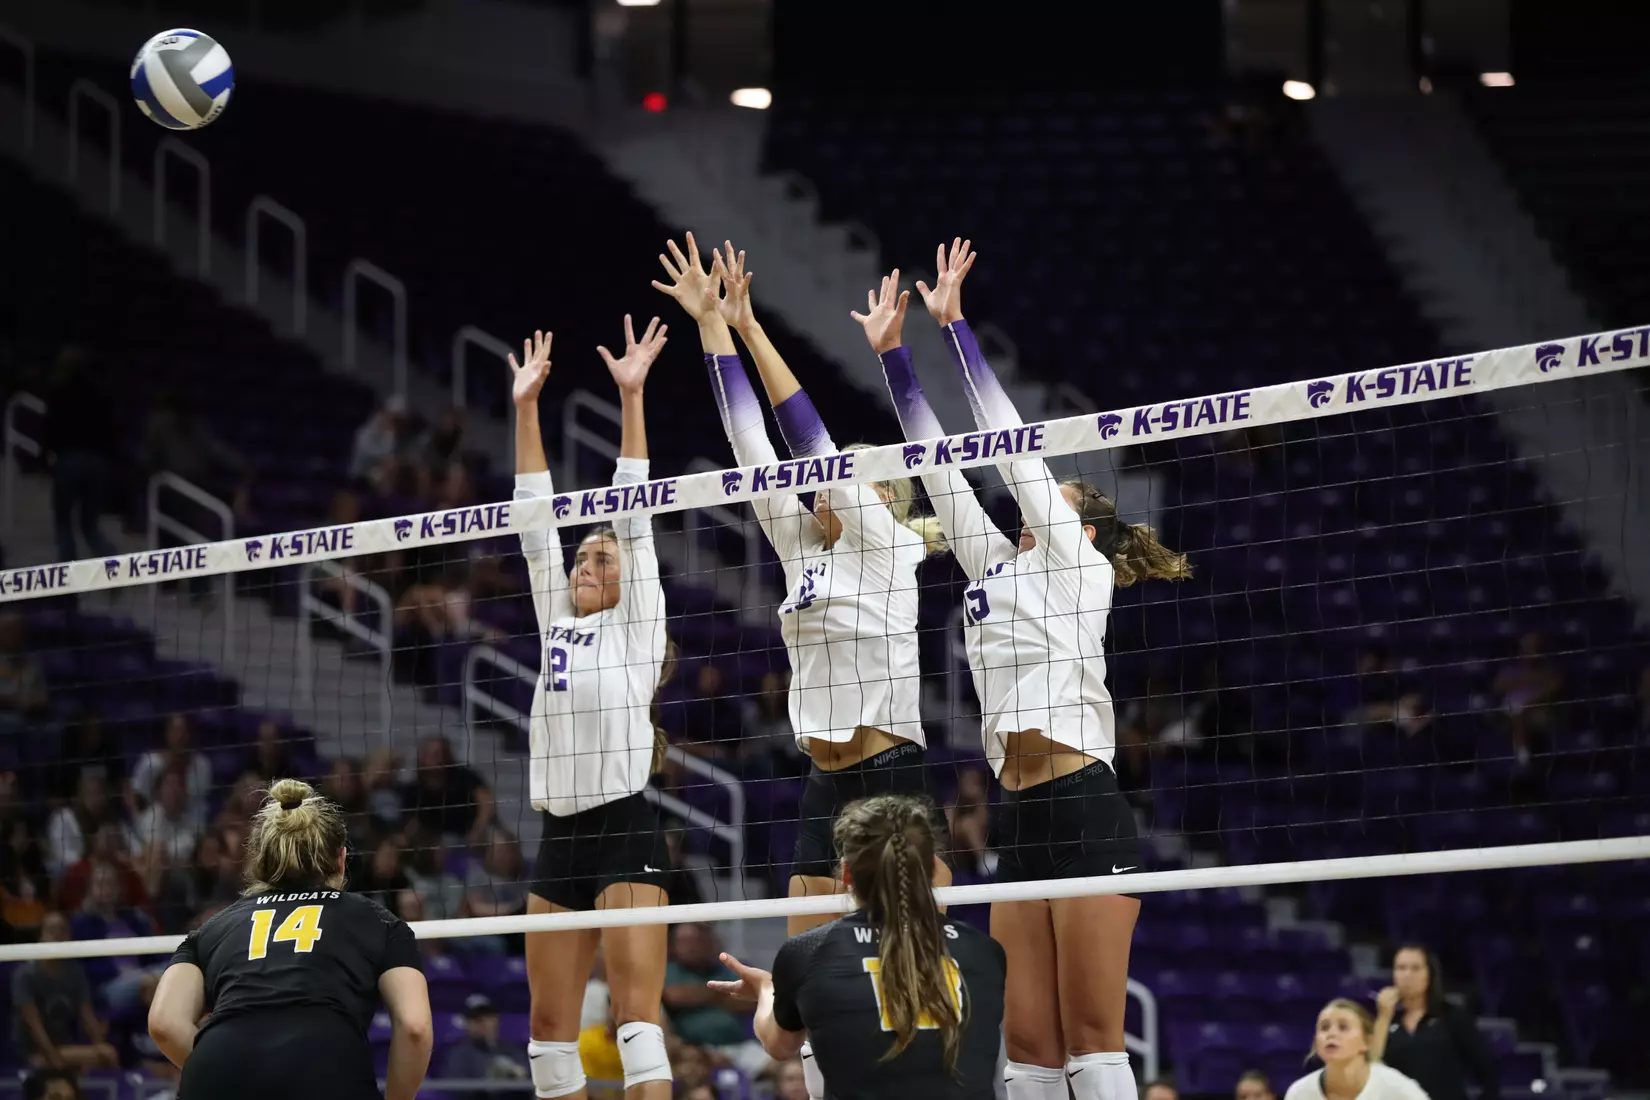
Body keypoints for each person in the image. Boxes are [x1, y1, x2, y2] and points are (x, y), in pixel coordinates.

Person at [856, 243, 1190, 1100]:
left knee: (1090, 1036)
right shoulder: (995, 567)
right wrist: (893, 357)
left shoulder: (1077, 571)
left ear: (1087, 534)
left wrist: (957, 328)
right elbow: (938, 467)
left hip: (1085, 805)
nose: (1044, 498)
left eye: (1064, 499)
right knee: (1029, 1043)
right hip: (1022, 814)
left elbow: (1011, 448)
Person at [655, 233, 950, 942]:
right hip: (824, 778)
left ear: (884, 497)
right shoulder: (802, 547)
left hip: (888, 771)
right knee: (808, 959)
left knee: (910, 952)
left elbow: (806, 437)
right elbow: (751, 443)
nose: (825, 486)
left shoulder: (887, 545)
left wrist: (749, 325)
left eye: (849, 481)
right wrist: (708, 324)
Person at [510, 318, 676, 1100]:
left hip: (623, 830)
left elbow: (633, 510)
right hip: (558, 836)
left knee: (636, 1025)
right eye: (583, 555)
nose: (583, 560)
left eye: (599, 557)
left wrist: (632, 395)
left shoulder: (638, 625)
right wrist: (525, 408)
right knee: (549, 1040)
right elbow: (536, 527)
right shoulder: (558, 625)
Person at [146, 778, 433, 1100]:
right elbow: (414, 1028)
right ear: (340, 859)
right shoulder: (379, 921)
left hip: (217, 1067)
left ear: (259, 862)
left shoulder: (212, 927)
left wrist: (237, 1075)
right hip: (323, 1067)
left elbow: (164, 1023)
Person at [710, 795, 1006, 1099]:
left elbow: (779, 1045)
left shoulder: (810, 951)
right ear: (932, 868)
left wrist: (766, 989)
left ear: (846, 873)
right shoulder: (984, 952)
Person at [1372, 946, 1498, 1100]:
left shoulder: (1452, 1017)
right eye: (1401, 968)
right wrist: (1383, 1018)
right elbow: (1371, 1073)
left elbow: (1489, 1074)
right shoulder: (1386, 1023)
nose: (1407, 975)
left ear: (1430, 975)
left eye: (1416, 968)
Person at [10, 911, 119, 1072]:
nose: (57, 935)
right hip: (32, 1050)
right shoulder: (25, 975)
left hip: (64, 1047)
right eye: (51, 930)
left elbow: (87, 1016)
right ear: (41, 936)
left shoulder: (74, 972)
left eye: (62, 930)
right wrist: (53, 1058)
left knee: (107, 1054)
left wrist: (100, 1044)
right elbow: (34, 1024)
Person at [1284, 1000, 1429, 1100]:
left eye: (1343, 1027)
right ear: (1316, 1041)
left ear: (1367, 1041)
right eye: (1324, 1027)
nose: (1331, 1034)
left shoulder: (1398, 1089)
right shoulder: (1299, 1093)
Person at [442, 994, 530, 1100]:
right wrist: (488, 1079)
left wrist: (517, 1073)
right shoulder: (458, 1055)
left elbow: (528, 1079)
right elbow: (457, 1089)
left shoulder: (511, 1050)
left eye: (489, 1017)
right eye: (477, 1019)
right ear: (466, 1024)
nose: (485, 1023)